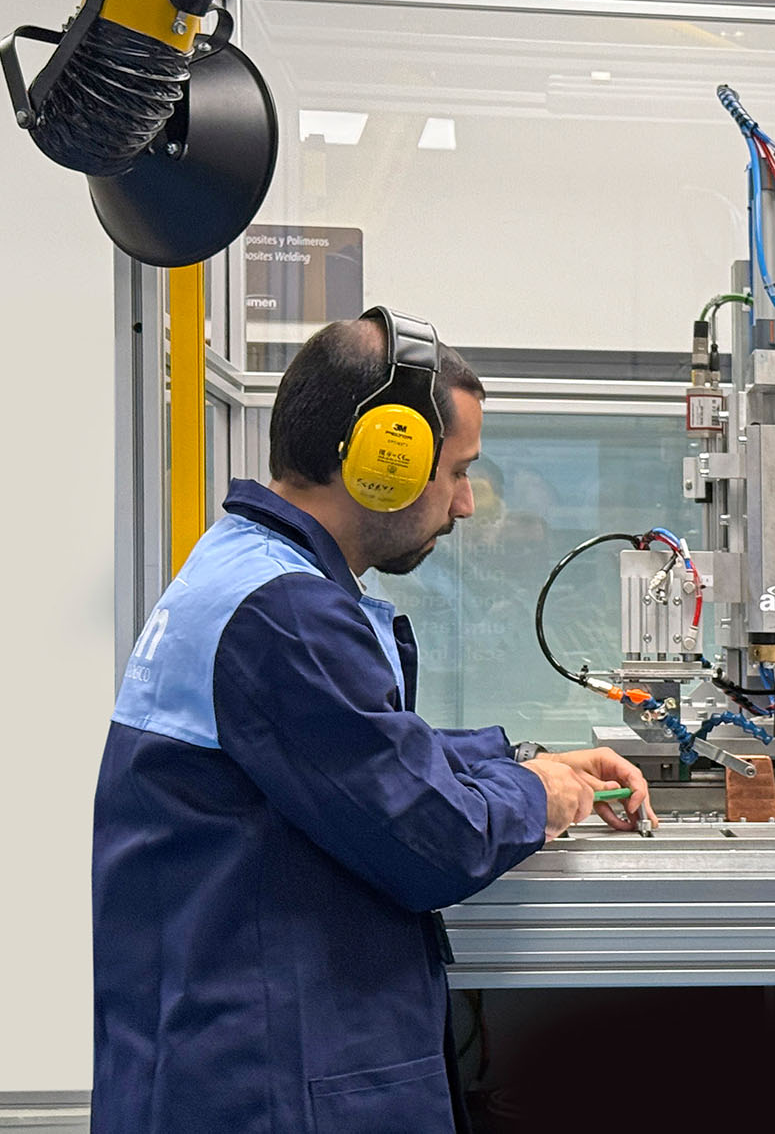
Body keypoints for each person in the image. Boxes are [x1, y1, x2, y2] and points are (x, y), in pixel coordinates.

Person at [93, 309, 656, 1132]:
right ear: (381, 458)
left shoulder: (245, 570)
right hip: (268, 1082)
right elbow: (433, 837)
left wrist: (522, 756)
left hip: (217, 1054)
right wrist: (540, 797)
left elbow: (348, 753)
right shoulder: (284, 614)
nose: (465, 503)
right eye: (455, 470)